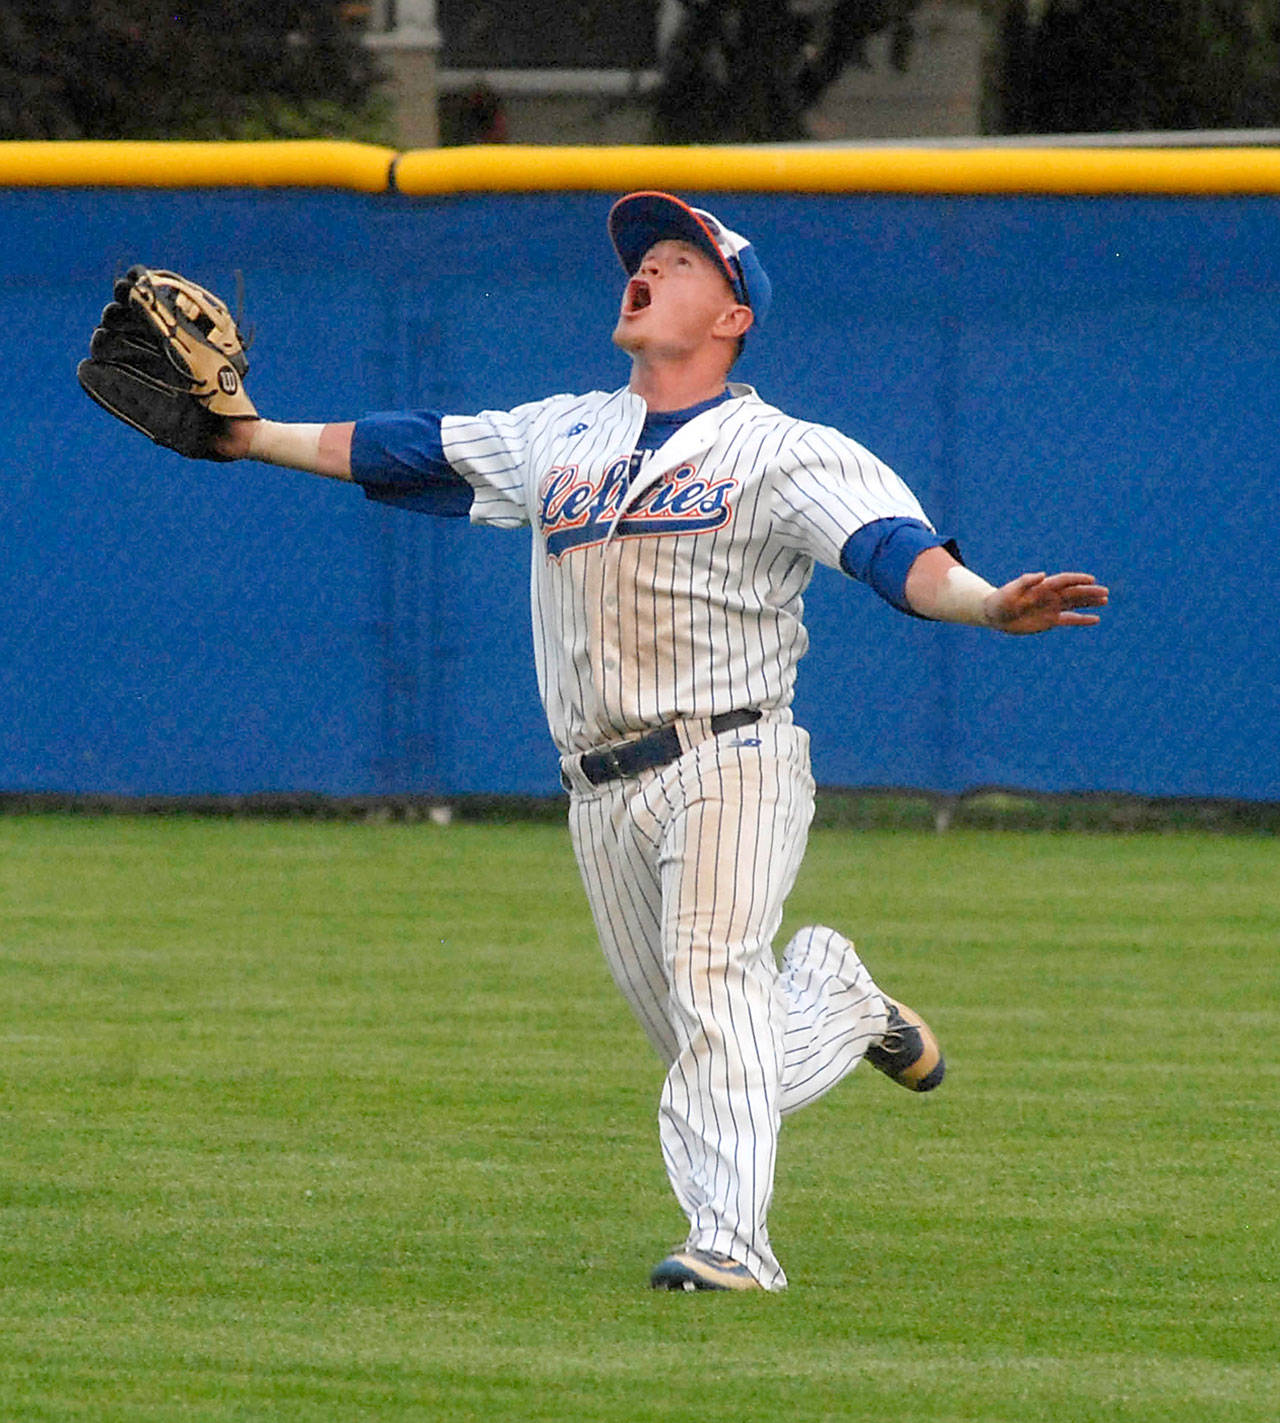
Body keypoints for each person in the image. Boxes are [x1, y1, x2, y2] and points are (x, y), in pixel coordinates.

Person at [213, 192, 1108, 1292]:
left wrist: (982, 604)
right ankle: (837, 995)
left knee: (711, 984)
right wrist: (246, 435)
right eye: (641, 260)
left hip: (728, 754)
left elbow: (890, 550)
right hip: (596, 788)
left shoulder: (782, 450)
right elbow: (413, 450)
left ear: (732, 313)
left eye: (677, 261)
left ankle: (730, 1245)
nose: (643, 271)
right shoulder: (561, 433)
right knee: (718, 1044)